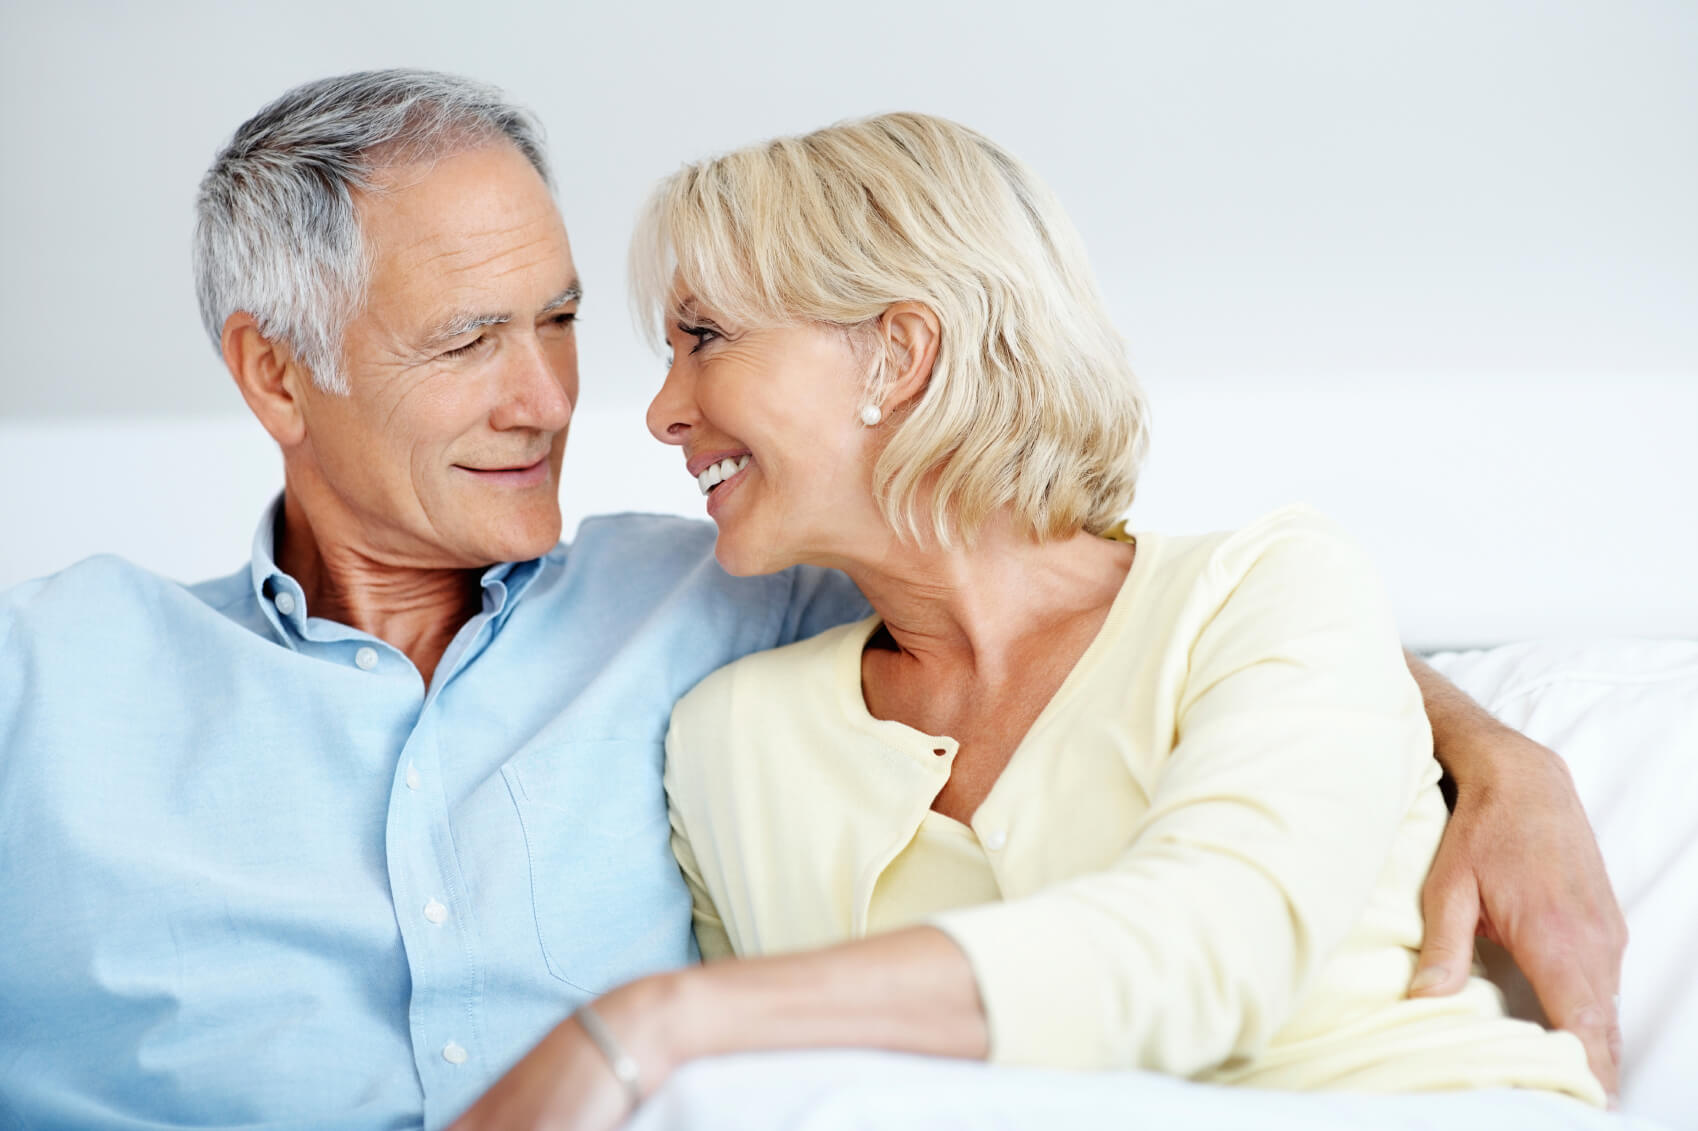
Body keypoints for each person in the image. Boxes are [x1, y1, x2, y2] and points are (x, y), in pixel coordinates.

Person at [0, 71, 1617, 1131]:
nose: (563, 403)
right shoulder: (51, 674)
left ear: (897, 353)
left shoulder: (699, 604)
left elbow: (1105, 618)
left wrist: (1492, 749)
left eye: (567, 323)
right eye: (464, 341)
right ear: (275, 374)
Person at [455, 112, 1622, 1129]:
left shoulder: (1267, 587)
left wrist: (654, 1024)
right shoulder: (728, 737)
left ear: (898, 355)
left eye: (703, 337)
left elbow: (1214, 947)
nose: (661, 410)